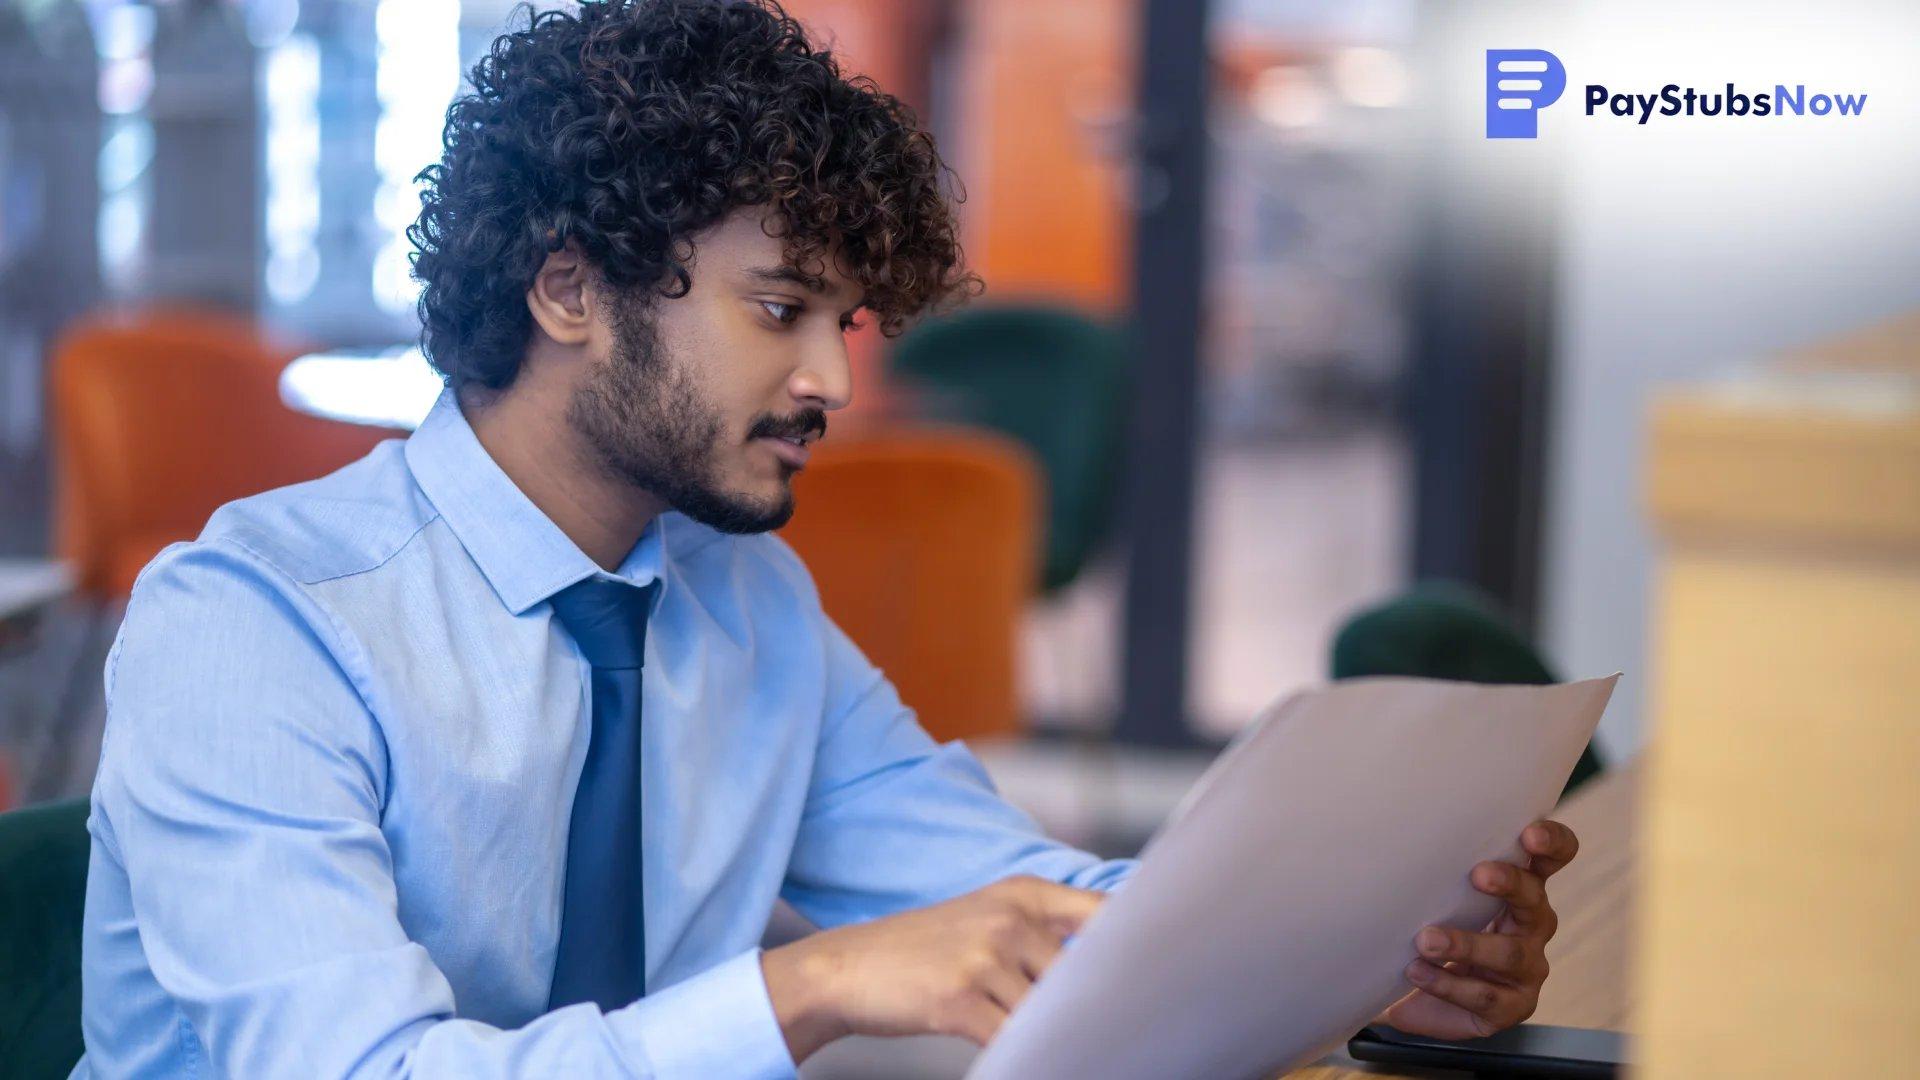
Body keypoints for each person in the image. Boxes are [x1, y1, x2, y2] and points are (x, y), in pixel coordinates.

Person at [74, 2, 1580, 1075]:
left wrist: (1387, 959)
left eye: (844, 324)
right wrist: (812, 989)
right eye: (778, 310)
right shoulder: (256, 624)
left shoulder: (743, 604)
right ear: (568, 289)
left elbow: (1013, 900)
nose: (834, 385)